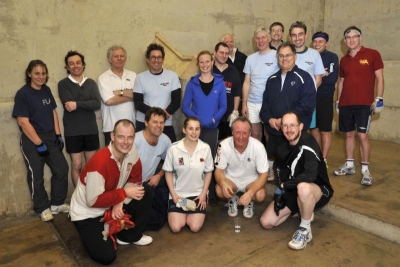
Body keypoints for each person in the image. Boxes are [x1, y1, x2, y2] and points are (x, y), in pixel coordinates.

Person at [70, 119, 153, 265]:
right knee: (107, 256)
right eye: (121, 137)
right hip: (88, 213)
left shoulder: (130, 150)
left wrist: (119, 203)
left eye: (130, 137)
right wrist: (122, 194)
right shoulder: (100, 163)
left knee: (145, 191)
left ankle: (129, 236)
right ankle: (94, 233)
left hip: (111, 202)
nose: (126, 142)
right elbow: (93, 201)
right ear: (112, 136)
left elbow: (136, 178)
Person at [260, 111, 333, 250]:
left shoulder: (309, 143)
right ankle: (302, 209)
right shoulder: (281, 149)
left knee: (303, 188)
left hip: (319, 189)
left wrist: (284, 185)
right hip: (294, 189)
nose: (289, 129)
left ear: (301, 126)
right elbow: (282, 176)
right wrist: (280, 193)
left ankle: (305, 229)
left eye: (292, 125)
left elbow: (310, 175)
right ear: (281, 129)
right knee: (266, 222)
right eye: (285, 126)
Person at [12, 60, 69, 222]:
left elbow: (53, 113)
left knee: (62, 168)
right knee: (36, 175)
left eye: (43, 73)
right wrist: (38, 143)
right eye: (37, 73)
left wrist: (58, 134)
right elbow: (23, 122)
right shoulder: (23, 94)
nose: (41, 76)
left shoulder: (46, 90)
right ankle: (42, 208)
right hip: (32, 139)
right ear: (29, 74)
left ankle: (57, 203)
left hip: (50, 136)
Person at [334, 26, 384, 186]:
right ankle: (349, 166)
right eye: (348, 37)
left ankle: (365, 170)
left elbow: (380, 78)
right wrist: (338, 101)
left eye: (354, 36)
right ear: (345, 40)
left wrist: (380, 98)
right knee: (348, 134)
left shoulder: (372, 54)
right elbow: (341, 81)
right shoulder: (344, 60)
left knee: (362, 136)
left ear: (360, 37)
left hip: (364, 104)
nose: (351, 39)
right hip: (346, 104)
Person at [260, 42, 316, 182]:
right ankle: (281, 188)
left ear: (295, 57)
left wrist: (284, 121)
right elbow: (264, 107)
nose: (284, 58)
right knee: (278, 164)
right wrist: (270, 120)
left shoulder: (305, 78)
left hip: (295, 134)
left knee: (295, 166)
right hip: (275, 131)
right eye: (281, 56)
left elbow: (307, 105)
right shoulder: (272, 80)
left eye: (288, 55)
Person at [182, 50, 227, 204]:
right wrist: (196, 121)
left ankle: (210, 192)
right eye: (201, 62)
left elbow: (223, 106)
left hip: (212, 128)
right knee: (193, 158)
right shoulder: (192, 83)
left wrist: (214, 119)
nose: (205, 65)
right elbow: (185, 106)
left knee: (210, 159)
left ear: (212, 62)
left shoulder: (220, 83)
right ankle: (193, 190)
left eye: (207, 61)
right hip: (195, 129)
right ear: (198, 64)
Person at [58, 50, 101, 187]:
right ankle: (79, 198)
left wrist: (76, 104)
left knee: (93, 166)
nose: (75, 66)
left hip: (90, 130)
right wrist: (84, 104)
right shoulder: (63, 84)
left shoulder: (91, 83)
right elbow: (67, 105)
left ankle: (92, 197)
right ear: (67, 67)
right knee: (77, 165)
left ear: (83, 65)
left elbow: (96, 103)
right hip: (73, 132)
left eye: (78, 62)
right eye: (71, 63)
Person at [163, 117, 213, 233]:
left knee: (194, 227)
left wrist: (203, 194)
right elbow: (168, 172)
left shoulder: (205, 148)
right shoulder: (174, 148)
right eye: (190, 129)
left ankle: (191, 214)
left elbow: (208, 172)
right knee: (176, 228)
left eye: (197, 129)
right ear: (184, 130)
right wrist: (173, 194)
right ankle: (179, 213)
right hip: (178, 196)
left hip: (197, 195)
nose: (194, 132)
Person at [215, 117, 268, 219]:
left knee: (260, 195)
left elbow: (264, 175)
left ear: (250, 133)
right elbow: (219, 170)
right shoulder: (223, 145)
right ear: (232, 132)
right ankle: (232, 199)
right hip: (231, 179)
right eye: (237, 132)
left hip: (251, 180)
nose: (241, 137)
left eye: (244, 133)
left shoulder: (259, 147)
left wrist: (250, 193)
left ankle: (249, 201)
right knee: (219, 190)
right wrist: (223, 184)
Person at [134, 43, 182, 142]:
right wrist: (156, 114)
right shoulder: (140, 78)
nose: (156, 60)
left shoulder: (172, 76)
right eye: (153, 57)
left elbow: (176, 101)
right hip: (144, 122)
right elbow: (138, 103)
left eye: (159, 57)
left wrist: (162, 115)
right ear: (148, 60)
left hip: (165, 122)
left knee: (169, 152)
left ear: (163, 60)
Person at [134, 107, 171, 230]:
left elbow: (170, 162)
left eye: (161, 122)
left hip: (149, 183)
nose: (159, 125)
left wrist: (159, 175)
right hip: (131, 185)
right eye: (155, 122)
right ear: (145, 123)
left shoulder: (165, 140)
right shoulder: (135, 141)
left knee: (159, 218)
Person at [242, 26, 279, 142]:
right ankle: (257, 159)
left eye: (263, 37)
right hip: (252, 103)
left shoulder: (277, 55)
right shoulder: (250, 59)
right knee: (255, 135)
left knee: (269, 135)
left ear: (269, 39)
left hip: (269, 102)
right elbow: (247, 82)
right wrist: (244, 103)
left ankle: (270, 160)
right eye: (258, 38)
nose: (260, 40)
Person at [98, 45, 136, 146]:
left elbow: (138, 95)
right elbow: (109, 101)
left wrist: (120, 92)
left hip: (131, 127)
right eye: (116, 56)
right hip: (111, 127)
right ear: (110, 59)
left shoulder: (133, 76)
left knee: (130, 159)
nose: (119, 59)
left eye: (122, 56)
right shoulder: (104, 78)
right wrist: (130, 95)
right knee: (112, 159)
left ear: (126, 58)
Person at [311, 32, 339, 167]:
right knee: (314, 129)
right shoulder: (310, 56)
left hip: (325, 98)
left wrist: (319, 76)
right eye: (315, 41)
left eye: (320, 41)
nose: (317, 44)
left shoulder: (332, 57)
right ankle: (317, 156)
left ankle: (324, 159)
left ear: (326, 43)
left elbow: (332, 79)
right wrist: (322, 73)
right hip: (310, 98)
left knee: (325, 130)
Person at [212, 42, 242, 140]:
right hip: (212, 116)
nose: (224, 56)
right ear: (215, 52)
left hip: (228, 116)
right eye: (221, 52)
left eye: (226, 53)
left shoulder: (233, 70)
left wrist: (235, 111)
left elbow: (237, 92)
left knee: (229, 144)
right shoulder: (209, 69)